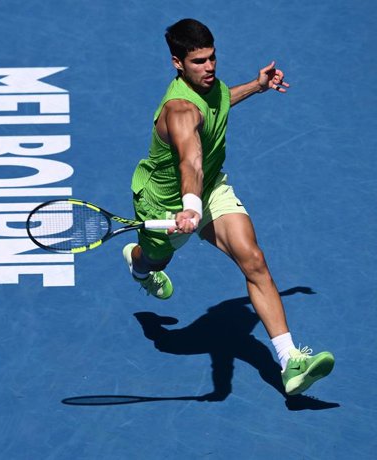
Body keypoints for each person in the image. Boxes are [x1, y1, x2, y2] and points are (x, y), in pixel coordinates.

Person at [122, 18, 334, 396]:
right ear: (177, 63)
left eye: (212, 58)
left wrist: (257, 86)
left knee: (253, 258)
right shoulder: (180, 112)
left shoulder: (209, 87)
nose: (210, 68)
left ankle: (290, 362)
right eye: (199, 62)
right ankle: (138, 265)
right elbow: (190, 161)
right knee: (153, 261)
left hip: (211, 190)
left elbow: (219, 99)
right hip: (165, 204)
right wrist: (188, 208)